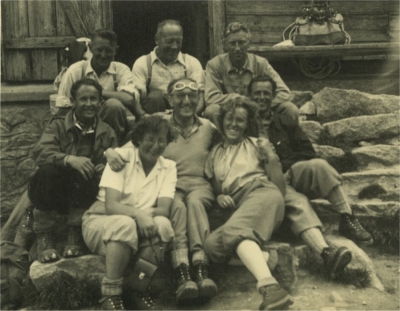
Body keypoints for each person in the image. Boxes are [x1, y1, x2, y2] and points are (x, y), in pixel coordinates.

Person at [105, 78, 219, 304]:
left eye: (192, 95)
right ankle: (181, 271)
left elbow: (226, 150)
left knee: (193, 204)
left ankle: (199, 267)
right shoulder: (160, 125)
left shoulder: (209, 127)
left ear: (199, 99)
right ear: (170, 99)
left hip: (198, 185)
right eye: (180, 96)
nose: (186, 101)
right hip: (169, 187)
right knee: (171, 214)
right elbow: (130, 148)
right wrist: (109, 152)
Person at [247, 75, 374, 271]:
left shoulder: (284, 122)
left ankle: (347, 216)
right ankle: (326, 253)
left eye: (266, 93)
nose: (262, 97)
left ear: (273, 97)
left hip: (289, 174)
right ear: (249, 96)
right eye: (257, 93)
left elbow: (307, 153)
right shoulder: (242, 124)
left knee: (318, 165)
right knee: (298, 202)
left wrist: (281, 162)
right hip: (262, 182)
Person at [203, 98, 293, 310]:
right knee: (212, 246)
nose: (234, 124)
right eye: (229, 119)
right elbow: (216, 185)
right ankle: (273, 261)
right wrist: (218, 196)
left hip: (263, 193)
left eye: (240, 120)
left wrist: (271, 156)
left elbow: (279, 188)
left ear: (247, 124)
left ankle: (270, 288)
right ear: (222, 120)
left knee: (234, 230)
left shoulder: (256, 144)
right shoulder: (214, 152)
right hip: (239, 205)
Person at [82, 116, 177, 310]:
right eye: (150, 139)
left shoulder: (169, 167)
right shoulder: (120, 158)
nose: (156, 145)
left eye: (161, 140)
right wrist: (139, 215)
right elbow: (111, 206)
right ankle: (110, 294)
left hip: (137, 226)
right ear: (139, 139)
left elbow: (164, 209)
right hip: (101, 222)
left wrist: (139, 216)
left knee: (163, 225)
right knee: (125, 224)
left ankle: (137, 288)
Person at [28, 79, 118, 263]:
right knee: (46, 172)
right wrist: (69, 159)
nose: (88, 104)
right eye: (83, 99)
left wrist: (103, 168)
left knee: (91, 173)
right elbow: (40, 152)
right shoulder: (58, 125)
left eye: (93, 99)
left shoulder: (107, 132)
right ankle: (45, 236)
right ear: (73, 101)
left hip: (83, 193)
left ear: (100, 102)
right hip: (56, 191)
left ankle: (75, 233)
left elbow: (115, 165)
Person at [204, 22, 299, 128]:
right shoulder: (215, 65)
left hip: (258, 112)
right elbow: (211, 98)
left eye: (241, 43)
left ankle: (285, 143)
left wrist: (261, 105)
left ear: (249, 43)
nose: (237, 48)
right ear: (225, 45)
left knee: (290, 109)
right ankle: (223, 143)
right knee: (211, 110)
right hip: (230, 113)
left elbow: (284, 92)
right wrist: (241, 100)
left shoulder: (260, 63)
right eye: (232, 43)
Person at [58, 28, 137, 145]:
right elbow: (62, 109)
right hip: (81, 125)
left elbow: (129, 99)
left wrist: (98, 92)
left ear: (115, 50)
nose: (103, 55)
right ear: (90, 48)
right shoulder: (75, 71)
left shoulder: (121, 69)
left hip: (111, 127)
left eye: (109, 51)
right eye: (99, 50)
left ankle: (112, 149)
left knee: (113, 105)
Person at [132, 20, 205, 118]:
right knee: (155, 97)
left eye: (178, 42)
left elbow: (200, 96)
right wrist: (144, 116)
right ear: (157, 40)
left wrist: (191, 117)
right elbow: (135, 97)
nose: (174, 46)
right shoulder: (143, 63)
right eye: (169, 41)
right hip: (154, 117)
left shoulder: (191, 62)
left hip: (184, 115)